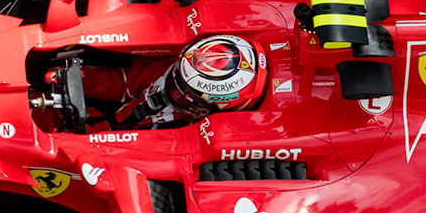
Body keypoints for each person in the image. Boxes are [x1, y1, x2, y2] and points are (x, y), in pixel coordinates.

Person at [52, 34, 269, 130]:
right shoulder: (178, 70)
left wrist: (81, 130)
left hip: (111, 134)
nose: (171, 88)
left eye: (181, 96)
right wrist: (79, 79)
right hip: (111, 117)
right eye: (176, 79)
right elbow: (124, 83)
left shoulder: (184, 132)